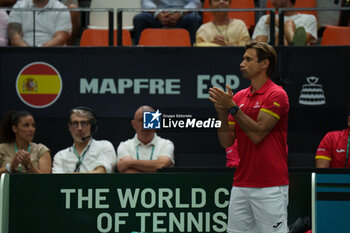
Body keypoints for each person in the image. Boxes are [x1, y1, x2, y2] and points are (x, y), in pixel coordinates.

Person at [209, 41, 289, 233]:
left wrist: (232, 108)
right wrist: (222, 111)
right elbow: (226, 142)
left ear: (265, 64)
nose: (241, 63)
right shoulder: (238, 97)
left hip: (270, 184)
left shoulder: (277, 94)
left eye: (248, 59)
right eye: (243, 58)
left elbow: (258, 134)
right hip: (241, 183)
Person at [52, 106, 117, 173]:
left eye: (84, 123)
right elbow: (58, 180)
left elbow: (101, 173)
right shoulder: (60, 156)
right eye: (75, 123)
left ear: (92, 127)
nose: (79, 128)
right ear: (69, 127)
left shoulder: (104, 146)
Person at [116, 105, 174, 173]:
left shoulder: (166, 144)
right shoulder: (124, 146)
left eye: (149, 120)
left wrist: (129, 162)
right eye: (141, 120)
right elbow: (126, 171)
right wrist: (154, 169)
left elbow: (161, 165)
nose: (146, 124)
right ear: (134, 124)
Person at [133, 0, 202, 44]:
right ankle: (139, 53)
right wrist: (158, 13)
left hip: (182, 15)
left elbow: (195, 2)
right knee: (140, 19)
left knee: (195, 19)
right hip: (158, 14)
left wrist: (181, 13)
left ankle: (194, 53)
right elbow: (146, 2)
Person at [8, 0, 72, 47]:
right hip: (23, 52)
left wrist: (39, 52)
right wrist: (28, 52)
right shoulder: (18, 6)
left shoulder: (61, 8)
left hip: (53, 53)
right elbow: (14, 37)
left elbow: (61, 38)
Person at [252, 0, 317, 45]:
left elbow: (301, 42)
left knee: (287, 27)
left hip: (298, 57)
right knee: (281, 38)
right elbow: (258, 46)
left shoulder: (309, 19)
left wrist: (278, 23)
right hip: (271, 58)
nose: (272, 1)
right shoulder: (265, 18)